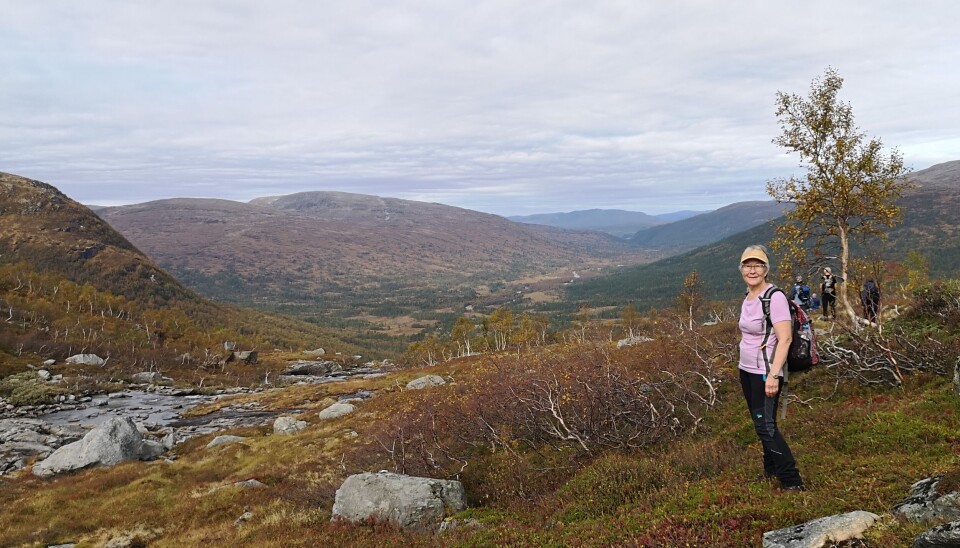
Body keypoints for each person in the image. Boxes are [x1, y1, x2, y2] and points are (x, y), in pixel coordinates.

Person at [737, 244, 804, 491]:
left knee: (766, 426)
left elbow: (784, 338)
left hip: (766, 372)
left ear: (766, 269)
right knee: (761, 423)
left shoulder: (774, 297)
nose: (752, 270)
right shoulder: (749, 296)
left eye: (757, 265)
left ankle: (791, 481)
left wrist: (774, 375)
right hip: (747, 370)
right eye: (747, 265)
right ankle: (771, 470)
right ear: (741, 268)